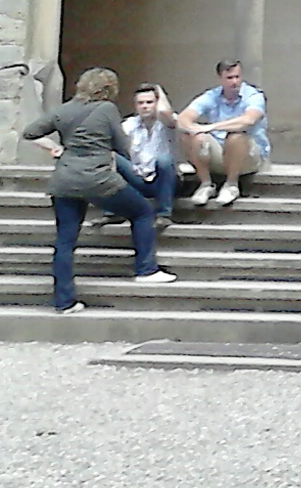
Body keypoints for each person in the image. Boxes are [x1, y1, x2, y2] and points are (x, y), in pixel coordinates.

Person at [30, 67, 175, 313]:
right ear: (109, 89)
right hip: (98, 179)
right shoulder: (106, 109)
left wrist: (57, 149)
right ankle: (146, 269)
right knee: (142, 212)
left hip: (64, 181)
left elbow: (30, 132)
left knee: (65, 241)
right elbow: (121, 146)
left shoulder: (64, 109)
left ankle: (64, 301)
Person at [176, 59, 268, 208]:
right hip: (220, 152)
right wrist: (194, 129)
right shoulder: (212, 95)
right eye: (229, 78)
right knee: (190, 136)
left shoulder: (253, 95)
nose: (234, 82)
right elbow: (182, 119)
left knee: (236, 136)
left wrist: (211, 127)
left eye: (237, 77)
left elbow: (248, 120)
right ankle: (206, 184)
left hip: (248, 155)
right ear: (220, 79)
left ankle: (231, 184)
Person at [118, 82, 180, 228]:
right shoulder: (130, 124)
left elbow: (166, 113)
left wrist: (159, 90)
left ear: (157, 104)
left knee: (164, 160)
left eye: (150, 102)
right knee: (113, 158)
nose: (145, 106)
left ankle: (164, 214)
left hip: (165, 179)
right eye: (140, 103)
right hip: (139, 178)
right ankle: (111, 212)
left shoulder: (168, 122)